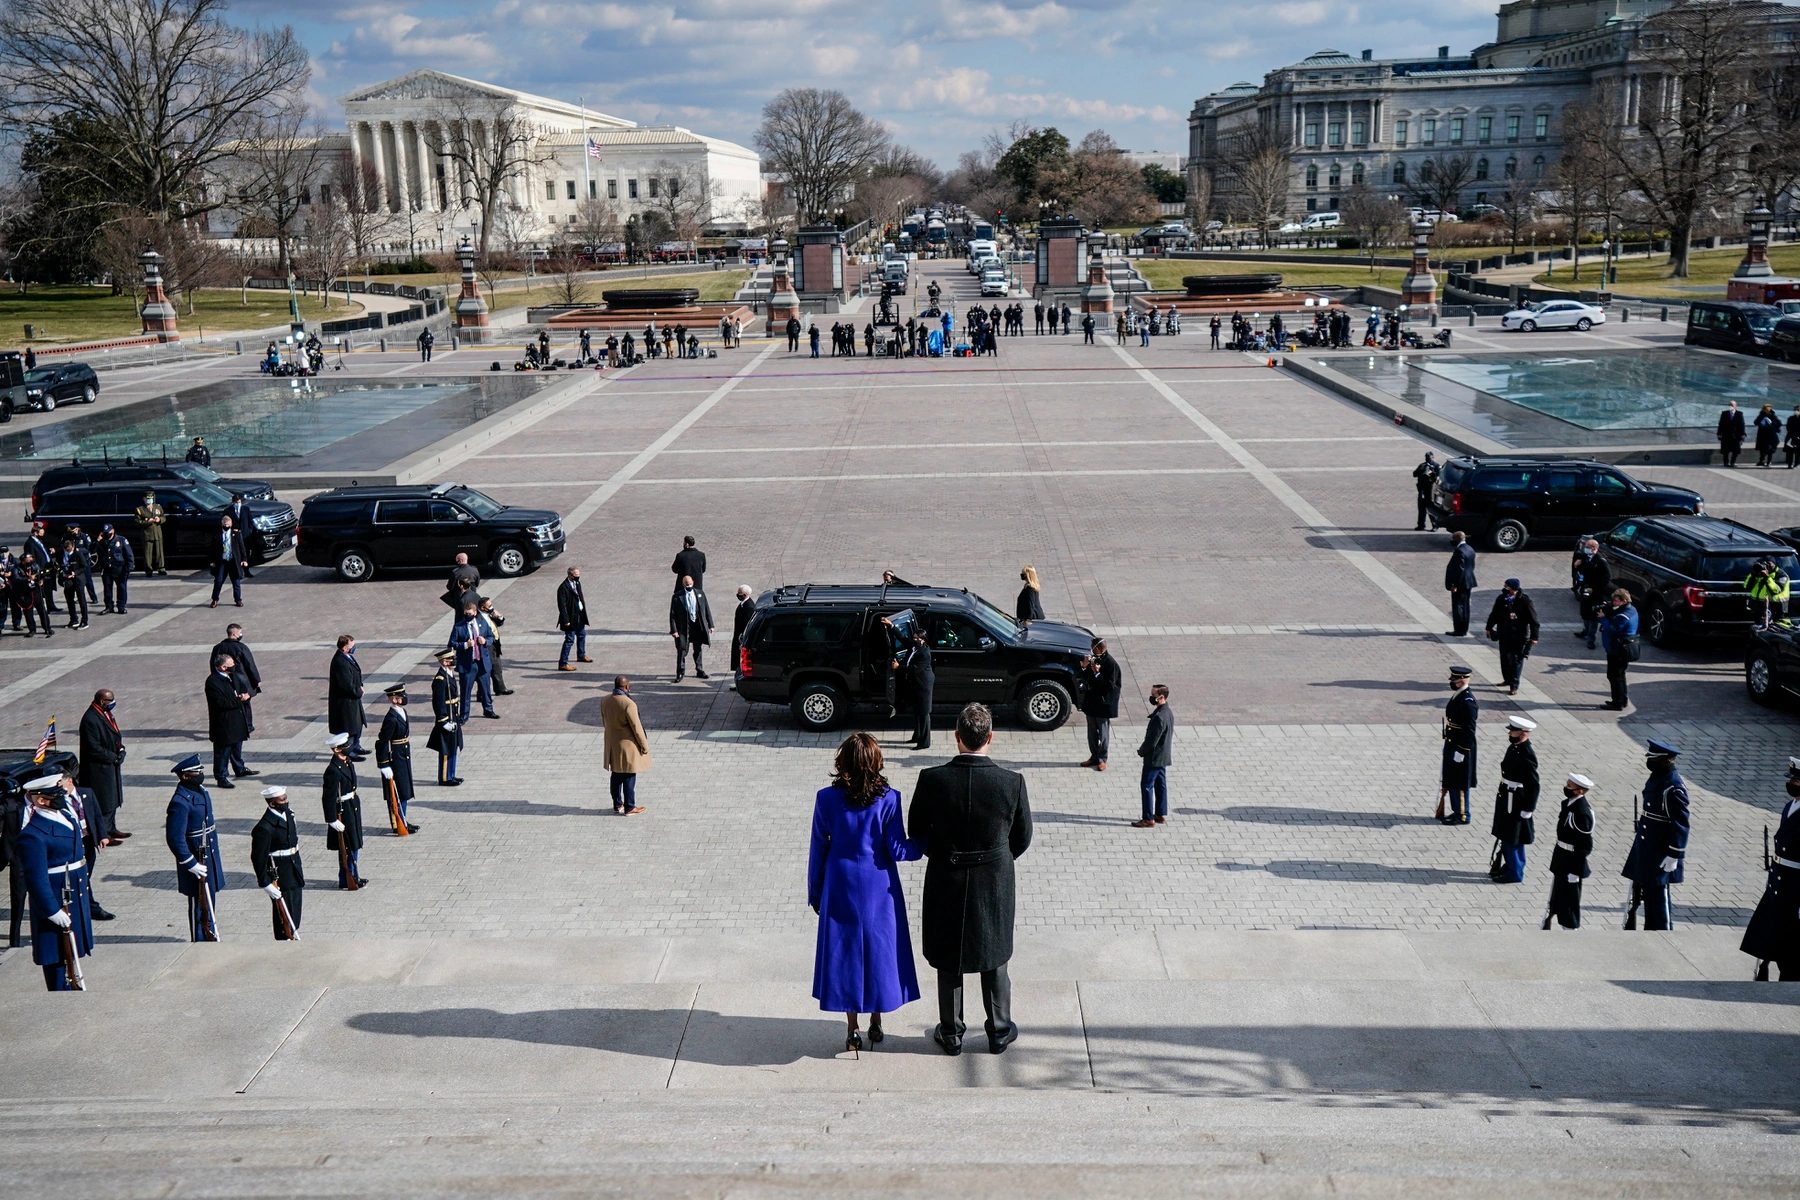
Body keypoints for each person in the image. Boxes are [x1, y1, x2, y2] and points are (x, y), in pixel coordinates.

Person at [908, 703, 1032, 1056]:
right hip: (994, 882)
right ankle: (999, 1031)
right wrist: (994, 860)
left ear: (956, 737)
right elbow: (1022, 838)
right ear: (990, 737)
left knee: (949, 959)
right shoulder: (1012, 782)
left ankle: (951, 1033)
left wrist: (947, 855)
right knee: (994, 957)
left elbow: (917, 832)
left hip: (946, 878)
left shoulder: (932, 779)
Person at [809, 731, 923, 1050]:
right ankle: (876, 1020)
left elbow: (818, 847)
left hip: (839, 882)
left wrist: (815, 892)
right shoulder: (890, 798)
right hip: (879, 884)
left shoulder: (826, 799)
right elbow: (899, 849)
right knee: (879, 950)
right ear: (875, 763)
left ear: (843, 762)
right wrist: (926, 842)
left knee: (844, 953)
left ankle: (852, 1028)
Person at [15, 771, 94, 989]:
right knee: (57, 957)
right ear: (41, 800)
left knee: (72, 953)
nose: (62, 796)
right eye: (56, 793)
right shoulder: (33, 835)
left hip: (73, 895)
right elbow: (36, 879)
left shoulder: (66, 816)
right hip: (57, 901)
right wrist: (52, 911)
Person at [1742, 757, 1800, 979]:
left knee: (1792, 941)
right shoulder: (1791, 806)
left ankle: (1790, 981)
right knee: (1771, 933)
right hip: (1781, 880)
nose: (1793, 784)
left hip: (1795, 885)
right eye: (1792, 779)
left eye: (1797, 780)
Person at [1623, 739, 1689, 931]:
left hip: (1661, 849)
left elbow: (1681, 823)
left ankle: (1663, 932)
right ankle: (1649, 930)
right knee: (1647, 892)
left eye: (1655, 758)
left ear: (1667, 760)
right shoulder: (1658, 777)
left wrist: (1675, 853)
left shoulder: (1673, 786)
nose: (1650, 762)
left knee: (1659, 896)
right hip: (1648, 846)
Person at [165, 754, 224, 941]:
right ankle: (199, 940)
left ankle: (210, 935)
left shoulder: (200, 790)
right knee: (198, 905)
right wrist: (190, 863)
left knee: (209, 900)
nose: (200, 775)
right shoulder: (180, 802)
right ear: (184, 776)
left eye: (200, 771)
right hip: (195, 856)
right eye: (195, 772)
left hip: (208, 854)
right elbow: (175, 838)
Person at [1543, 772, 1596, 930]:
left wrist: (1576, 870)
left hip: (1572, 861)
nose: (1566, 788)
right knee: (1557, 895)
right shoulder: (1568, 804)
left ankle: (1570, 927)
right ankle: (1554, 920)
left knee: (1570, 899)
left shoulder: (1583, 812)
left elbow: (1585, 846)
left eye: (1570, 786)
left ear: (1580, 791)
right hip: (1561, 856)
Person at [250, 785, 304, 940]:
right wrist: (265, 883)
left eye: (286, 798)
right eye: (282, 800)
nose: (286, 801)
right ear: (272, 803)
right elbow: (257, 857)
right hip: (280, 873)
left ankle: (293, 933)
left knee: (295, 907)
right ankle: (284, 938)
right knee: (283, 913)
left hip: (294, 867)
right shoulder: (264, 827)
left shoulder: (289, 814)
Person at [1490, 715, 1539, 884]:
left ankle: (1515, 872)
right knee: (1507, 835)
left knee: (1513, 837)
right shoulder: (1515, 747)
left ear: (1524, 733)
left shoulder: (1526, 753)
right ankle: (1511, 866)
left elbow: (1533, 784)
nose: (1510, 733)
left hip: (1516, 800)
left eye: (1514, 731)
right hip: (1507, 796)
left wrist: (1528, 808)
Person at [78, 689, 128, 846]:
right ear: (101, 701)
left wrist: (121, 750)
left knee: (113, 797)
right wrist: (112, 757)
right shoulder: (90, 719)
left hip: (110, 765)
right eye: (109, 701)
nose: (112, 703)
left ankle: (111, 827)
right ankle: (103, 833)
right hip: (98, 768)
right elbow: (93, 747)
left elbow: (114, 735)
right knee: (104, 800)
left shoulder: (105, 714)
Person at [205, 652, 256, 788]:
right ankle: (221, 776)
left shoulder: (232, 677)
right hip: (224, 723)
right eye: (231, 665)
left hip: (237, 720)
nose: (234, 667)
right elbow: (220, 702)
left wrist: (247, 695)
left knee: (236, 747)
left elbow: (244, 689)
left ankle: (239, 768)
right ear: (222, 667)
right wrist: (239, 700)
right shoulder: (213, 681)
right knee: (223, 752)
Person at [602, 675, 650, 814]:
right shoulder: (629, 704)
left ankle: (617, 804)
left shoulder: (605, 700)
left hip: (612, 744)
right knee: (629, 774)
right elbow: (637, 727)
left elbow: (604, 721)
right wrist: (644, 745)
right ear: (627, 687)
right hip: (628, 745)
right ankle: (630, 806)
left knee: (616, 774)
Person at [1484, 578, 1540, 696]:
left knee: (1516, 660)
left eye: (1507, 587)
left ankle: (1514, 685)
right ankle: (1507, 679)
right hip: (1504, 634)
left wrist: (1534, 637)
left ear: (1512, 588)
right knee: (1504, 658)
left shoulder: (1525, 601)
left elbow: (1534, 620)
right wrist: (1489, 627)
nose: (1504, 588)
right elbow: (1494, 614)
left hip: (1519, 636)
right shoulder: (1501, 599)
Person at [375, 683, 418, 834]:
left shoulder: (402, 712)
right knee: (397, 791)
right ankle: (397, 823)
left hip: (403, 755)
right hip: (395, 757)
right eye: (400, 697)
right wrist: (384, 764)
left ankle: (403, 819)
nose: (403, 699)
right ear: (393, 699)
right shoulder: (391, 718)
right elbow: (382, 742)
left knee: (404, 791)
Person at [1439, 664, 1477, 825]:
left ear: (1462, 680)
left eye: (1454, 679)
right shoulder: (1459, 695)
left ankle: (1462, 814)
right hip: (1452, 743)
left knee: (1460, 782)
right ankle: (1456, 811)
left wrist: (1462, 750)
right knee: (1452, 779)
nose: (1452, 681)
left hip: (1461, 747)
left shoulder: (1468, 701)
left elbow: (1469, 730)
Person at [1131, 684, 1173, 828]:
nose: (1151, 698)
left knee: (1146, 785)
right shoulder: (1168, 712)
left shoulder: (1159, 717)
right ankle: (1160, 814)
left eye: (1153, 696)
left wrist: (1141, 751)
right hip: (1163, 756)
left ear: (1161, 697)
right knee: (1160, 785)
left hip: (1154, 758)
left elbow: (1151, 742)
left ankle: (1148, 818)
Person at [1077, 638, 1122, 771]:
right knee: (1091, 733)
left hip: (1103, 705)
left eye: (1093, 647)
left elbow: (1110, 687)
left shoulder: (1111, 664)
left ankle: (1102, 758)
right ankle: (1094, 756)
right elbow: (1084, 679)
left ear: (1099, 648)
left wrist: (1097, 673)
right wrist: (1085, 668)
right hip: (1091, 703)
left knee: (1103, 733)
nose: (1091, 649)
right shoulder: (1094, 660)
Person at [451, 600, 498, 720]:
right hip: (468, 664)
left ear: (475, 612)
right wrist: (465, 645)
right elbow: (452, 643)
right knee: (466, 691)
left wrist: (485, 641)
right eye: (465, 614)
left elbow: (491, 636)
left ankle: (488, 710)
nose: (468, 616)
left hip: (482, 662)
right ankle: (464, 715)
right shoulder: (459, 626)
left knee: (486, 689)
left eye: (470, 614)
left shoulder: (481, 622)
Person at [213, 623, 262, 737]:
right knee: (245, 703)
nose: (241, 635)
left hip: (224, 681)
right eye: (240, 633)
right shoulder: (241, 647)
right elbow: (250, 664)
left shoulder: (218, 648)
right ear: (234, 634)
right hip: (241, 680)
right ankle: (248, 726)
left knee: (229, 702)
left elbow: (213, 664)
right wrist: (256, 680)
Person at [1599, 588, 1639, 711]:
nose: (1614, 603)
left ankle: (1617, 702)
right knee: (1620, 675)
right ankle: (1622, 699)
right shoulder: (1631, 610)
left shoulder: (1624, 615)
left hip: (1618, 649)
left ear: (1624, 601)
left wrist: (1603, 618)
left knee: (1614, 675)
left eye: (1616, 601)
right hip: (1621, 647)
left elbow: (1613, 629)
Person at [428, 648, 463, 786]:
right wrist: (443, 721)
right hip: (446, 717)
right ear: (443, 661)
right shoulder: (440, 679)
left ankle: (451, 774)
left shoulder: (449, 674)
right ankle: (444, 778)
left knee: (453, 747)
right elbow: (438, 702)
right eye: (450, 659)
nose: (453, 661)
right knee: (446, 749)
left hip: (453, 715)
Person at [328, 634, 368, 758]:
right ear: (345, 647)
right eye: (352, 646)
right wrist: (358, 691)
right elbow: (346, 684)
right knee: (349, 727)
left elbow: (356, 673)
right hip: (345, 701)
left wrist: (359, 686)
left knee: (357, 723)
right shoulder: (340, 662)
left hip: (353, 699)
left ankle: (356, 746)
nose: (354, 647)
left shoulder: (347, 657)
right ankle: (349, 751)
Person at [669, 574, 714, 681]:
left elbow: (706, 609)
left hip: (697, 625)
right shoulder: (677, 596)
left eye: (690, 584)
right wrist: (674, 630)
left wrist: (711, 624)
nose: (688, 586)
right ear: (683, 584)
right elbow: (672, 615)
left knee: (698, 649)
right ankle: (680, 672)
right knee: (682, 650)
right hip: (684, 627)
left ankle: (699, 669)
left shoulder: (700, 593)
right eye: (686, 584)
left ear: (693, 582)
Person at [1571, 538, 1611, 649]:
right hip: (1586, 589)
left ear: (1594, 549)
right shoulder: (1584, 558)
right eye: (1586, 546)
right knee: (1584, 611)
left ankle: (1591, 638)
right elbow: (1581, 570)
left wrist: (1596, 588)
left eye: (1588, 547)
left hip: (1596, 592)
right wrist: (1577, 565)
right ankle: (1586, 630)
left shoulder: (1600, 561)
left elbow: (1607, 577)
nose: (1586, 549)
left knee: (1593, 615)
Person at [208, 515, 250, 608]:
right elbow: (212, 549)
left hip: (233, 561)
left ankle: (238, 599)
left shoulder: (236, 534)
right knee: (218, 581)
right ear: (221, 524)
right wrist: (212, 561)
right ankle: (215, 599)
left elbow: (242, 548)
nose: (226, 526)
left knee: (236, 582)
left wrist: (244, 559)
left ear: (231, 524)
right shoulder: (217, 534)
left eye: (227, 524)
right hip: (222, 561)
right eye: (224, 524)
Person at [556, 566, 592, 671]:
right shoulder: (563, 588)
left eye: (578, 575)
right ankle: (563, 663)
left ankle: (581, 655)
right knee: (569, 639)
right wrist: (566, 620)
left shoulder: (577, 583)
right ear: (570, 575)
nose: (578, 577)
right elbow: (562, 606)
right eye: (576, 575)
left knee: (582, 635)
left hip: (579, 615)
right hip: (570, 618)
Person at [1444, 530, 1477, 636]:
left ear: (1457, 539)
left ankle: (1459, 630)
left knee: (1458, 606)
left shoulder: (1459, 551)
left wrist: (1454, 585)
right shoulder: (1470, 549)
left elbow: (1458, 570)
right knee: (1465, 605)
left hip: (1461, 583)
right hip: (1469, 581)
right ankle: (1464, 629)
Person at [477, 597, 512, 695]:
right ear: (483, 607)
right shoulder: (478, 617)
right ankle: (482, 693)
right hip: (485, 646)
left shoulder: (489, 614)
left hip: (494, 644)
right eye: (489, 606)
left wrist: (499, 616)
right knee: (485, 670)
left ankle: (500, 688)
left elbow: (499, 623)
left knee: (497, 667)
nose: (491, 607)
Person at [1745, 557, 1791, 629]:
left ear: (1774, 564)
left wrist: (1767, 577)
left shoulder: (1781, 575)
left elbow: (1776, 590)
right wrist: (1753, 575)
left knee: (1777, 628)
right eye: (1764, 563)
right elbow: (1746, 586)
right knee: (1758, 629)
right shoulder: (1758, 573)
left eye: (1769, 563)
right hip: (1758, 606)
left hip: (1776, 607)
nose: (1767, 566)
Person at [98, 523, 133, 614]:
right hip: (107, 569)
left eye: (108, 532)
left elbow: (129, 554)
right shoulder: (102, 541)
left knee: (121, 588)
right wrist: (97, 541)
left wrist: (129, 567)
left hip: (120, 568)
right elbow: (93, 551)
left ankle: (121, 607)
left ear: (113, 530)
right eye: (105, 532)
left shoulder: (121, 540)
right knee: (107, 589)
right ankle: (109, 607)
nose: (107, 534)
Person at [56, 536, 89, 629]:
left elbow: (84, 566)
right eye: (66, 549)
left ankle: (85, 621)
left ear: (73, 547)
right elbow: (60, 564)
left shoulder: (78, 554)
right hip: (68, 580)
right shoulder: (62, 553)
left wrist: (75, 573)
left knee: (82, 600)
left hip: (78, 579)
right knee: (69, 600)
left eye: (69, 550)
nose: (67, 551)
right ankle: (73, 619)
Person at [135, 490, 168, 576]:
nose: (150, 500)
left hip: (157, 533)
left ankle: (161, 568)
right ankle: (148, 570)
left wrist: (159, 520)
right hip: (147, 534)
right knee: (147, 553)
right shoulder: (140, 509)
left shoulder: (158, 507)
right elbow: (138, 521)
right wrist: (148, 521)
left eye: (151, 498)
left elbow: (163, 517)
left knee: (159, 552)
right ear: (144, 499)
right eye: (148, 499)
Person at [730, 584, 755, 677]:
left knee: (742, 660)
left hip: (742, 638)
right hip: (739, 636)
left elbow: (747, 626)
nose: (738, 595)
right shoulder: (744, 604)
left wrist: (743, 642)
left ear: (744, 595)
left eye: (739, 594)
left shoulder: (749, 607)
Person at [1411, 452, 1438, 531]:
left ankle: (1435, 525)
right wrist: (1420, 470)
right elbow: (1414, 474)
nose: (1427, 459)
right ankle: (1421, 525)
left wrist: (1433, 474)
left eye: (1429, 458)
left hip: (1430, 491)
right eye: (1426, 457)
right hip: (1422, 490)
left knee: (1431, 509)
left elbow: (1439, 477)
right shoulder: (1422, 465)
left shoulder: (1436, 466)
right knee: (1421, 508)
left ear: (1433, 457)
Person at [1717, 399, 1746, 467]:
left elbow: (1742, 424)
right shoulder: (1724, 413)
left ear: (1736, 406)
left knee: (1735, 450)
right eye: (1730, 405)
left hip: (1736, 436)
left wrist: (1743, 434)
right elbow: (1721, 424)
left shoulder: (1739, 414)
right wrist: (1719, 433)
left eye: (1732, 405)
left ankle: (1732, 462)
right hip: (1726, 435)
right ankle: (1726, 462)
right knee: (1725, 451)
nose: (1731, 406)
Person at [1754, 402, 1782, 467]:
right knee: (1762, 449)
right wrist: (1761, 422)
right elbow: (1755, 422)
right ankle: (1761, 461)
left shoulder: (1773, 415)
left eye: (1767, 409)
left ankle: (1769, 461)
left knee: (1770, 449)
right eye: (1765, 409)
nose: (1766, 410)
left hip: (1770, 435)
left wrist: (1771, 424)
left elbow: (1779, 423)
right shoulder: (1761, 415)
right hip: (1762, 435)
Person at [1786, 405, 1800, 469]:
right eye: (1795, 410)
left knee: (1798, 452)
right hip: (1791, 437)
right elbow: (1788, 427)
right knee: (1790, 452)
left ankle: (1796, 464)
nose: (1796, 411)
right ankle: (1790, 464)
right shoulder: (1790, 418)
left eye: (1798, 410)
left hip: (1798, 437)